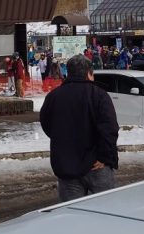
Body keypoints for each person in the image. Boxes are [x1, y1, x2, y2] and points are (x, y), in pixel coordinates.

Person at [39, 55, 118, 202]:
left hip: (66, 165)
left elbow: (46, 124)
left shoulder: (54, 97)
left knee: (71, 212)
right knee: (106, 209)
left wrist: (61, 137)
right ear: (89, 73)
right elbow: (110, 128)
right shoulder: (99, 95)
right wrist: (104, 157)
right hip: (96, 165)